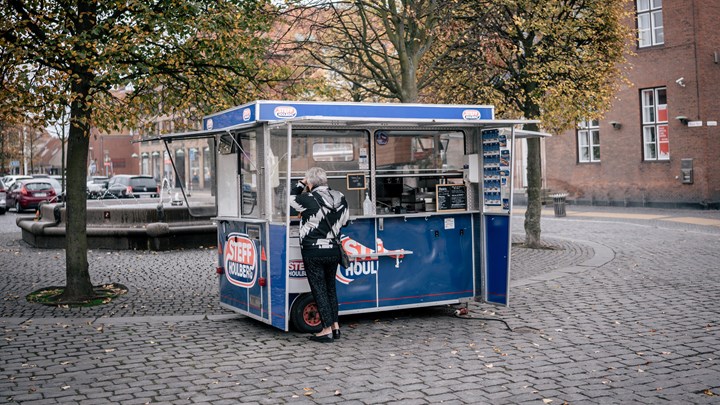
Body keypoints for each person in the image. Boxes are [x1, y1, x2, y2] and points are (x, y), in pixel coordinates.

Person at [289, 167, 349, 343]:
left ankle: (326, 330)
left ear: (310, 182)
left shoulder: (307, 198)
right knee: (330, 288)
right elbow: (344, 222)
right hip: (333, 250)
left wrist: (300, 185)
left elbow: (289, 200)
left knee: (319, 289)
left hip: (313, 250)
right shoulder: (340, 196)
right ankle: (335, 327)